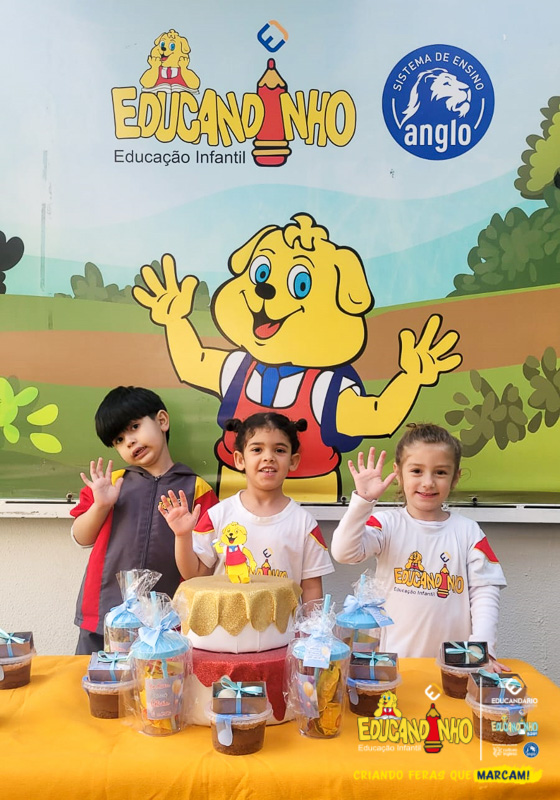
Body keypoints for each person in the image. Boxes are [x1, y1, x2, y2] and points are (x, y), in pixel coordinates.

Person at [331, 423, 508, 668]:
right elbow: (344, 552)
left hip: (453, 668)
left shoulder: (469, 532)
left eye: (440, 472)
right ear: (398, 473)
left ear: (455, 477)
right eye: (416, 470)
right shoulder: (386, 524)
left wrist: (483, 650)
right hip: (392, 665)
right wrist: (363, 501)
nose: (428, 482)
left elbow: (485, 593)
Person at [71, 386, 218, 654]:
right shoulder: (111, 484)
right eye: (119, 439)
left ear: (162, 421)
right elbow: (81, 538)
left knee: (162, 680)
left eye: (135, 427)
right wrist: (101, 505)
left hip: (168, 624)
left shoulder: (197, 489)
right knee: (98, 678)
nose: (129, 441)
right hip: (105, 614)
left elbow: (203, 570)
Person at [158, 412, 334, 603]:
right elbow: (195, 575)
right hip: (225, 622)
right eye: (257, 449)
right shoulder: (217, 515)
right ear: (240, 460)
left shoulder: (305, 524)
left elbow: (311, 588)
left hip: (283, 624)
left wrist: (312, 623)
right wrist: (182, 536)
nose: (268, 457)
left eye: (279, 450)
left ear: (293, 461)